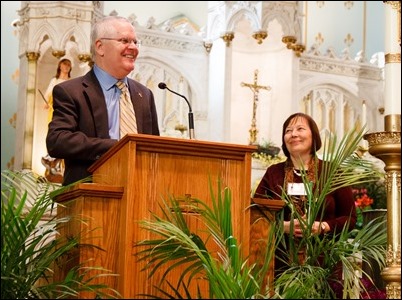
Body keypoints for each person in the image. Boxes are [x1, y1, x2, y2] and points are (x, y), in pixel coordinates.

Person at [46, 16, 160, 186]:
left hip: (140, 193)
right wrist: (117, 147)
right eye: (125, 40)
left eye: (136, 42)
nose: (134, 48)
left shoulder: (144, 94)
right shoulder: (70, 92)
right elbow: (58, 141)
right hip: (89, 196)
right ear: (100, 47)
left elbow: (154, 148)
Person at [253, 112, 357, 275]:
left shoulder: (332, 172)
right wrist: (283, 227)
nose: (293, 134)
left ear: (313, 136)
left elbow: (350, 217)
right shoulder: (274, 173)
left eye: (300, 128)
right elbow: (255, 216)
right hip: (279, 265)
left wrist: (323, 226)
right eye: (288, 131)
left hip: (323, 263)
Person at [41, 58, 72, 183]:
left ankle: (62, 167)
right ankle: (52, 161)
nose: (66, 68)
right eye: (64, 65)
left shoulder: (71, 82)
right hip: (55, 110)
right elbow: (48, 94)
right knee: (54, 134)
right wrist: (47, 103)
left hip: (67, 113)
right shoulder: (54, 81)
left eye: (68, 66)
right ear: (60, 66)